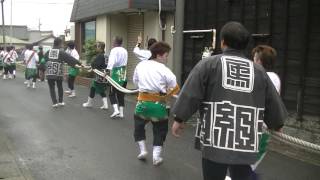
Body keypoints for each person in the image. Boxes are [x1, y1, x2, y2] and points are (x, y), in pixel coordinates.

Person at [171, 22, 288, 180]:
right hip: (244, 138)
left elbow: (191, 93)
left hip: (214, 136)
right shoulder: (259, 71)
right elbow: (271, 102)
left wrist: (180, 118)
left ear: (223, 42)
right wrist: (277, 123)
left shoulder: (208, 64)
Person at [133, 42, 179, 166]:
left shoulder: (140, 65)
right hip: (158, 105)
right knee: (160, 130)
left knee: (139, 126)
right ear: (159, 55)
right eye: (166, 55)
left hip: (142, 103)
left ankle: (143, 150)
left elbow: (135, 82)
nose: (166, 58)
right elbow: (174, 87)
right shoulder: (164, 69)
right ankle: (156, 156)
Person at [250, 45, 280, 173]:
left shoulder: (263, 77)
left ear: (259, 61)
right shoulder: (274, 77)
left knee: (244, 169)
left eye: (254, 59)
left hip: (257, 131)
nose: (252, 62)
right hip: (260, 130)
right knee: (245, 170)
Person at [44, 38, 82, 107]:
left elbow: (44, 60)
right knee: (59, 86)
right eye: (61, 43)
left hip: (49, 72)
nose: (62, 45)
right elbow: (70, 59)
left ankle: (54, 103)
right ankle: (60, 102)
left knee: (51, 88)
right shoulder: (61, 52)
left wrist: (46, 65)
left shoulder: (48, 51)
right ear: (59, 43)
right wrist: (80, 63)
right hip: (58, 72)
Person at [83, 42, 109, 110]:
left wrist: (90, 67)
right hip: (105, 75)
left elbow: (95, 64)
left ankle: (89, 103)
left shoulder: (100, 56)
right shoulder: (106, 55)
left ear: (100, 48)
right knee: (101, 90)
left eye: (97, 46)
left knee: (93, 88)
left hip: (100, 75)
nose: (96, 48)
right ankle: (105, 105)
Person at [107, 36, 128, 118]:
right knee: (121, 94)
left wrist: (107, 70)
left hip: (116, 72)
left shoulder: (114, 50)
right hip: (123, 72)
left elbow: (111, 61)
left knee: (112, 93)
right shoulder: (125, 50)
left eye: (113, 41)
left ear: (115, 42)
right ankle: (121, 113)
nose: (112, 42)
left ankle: (116, 110)